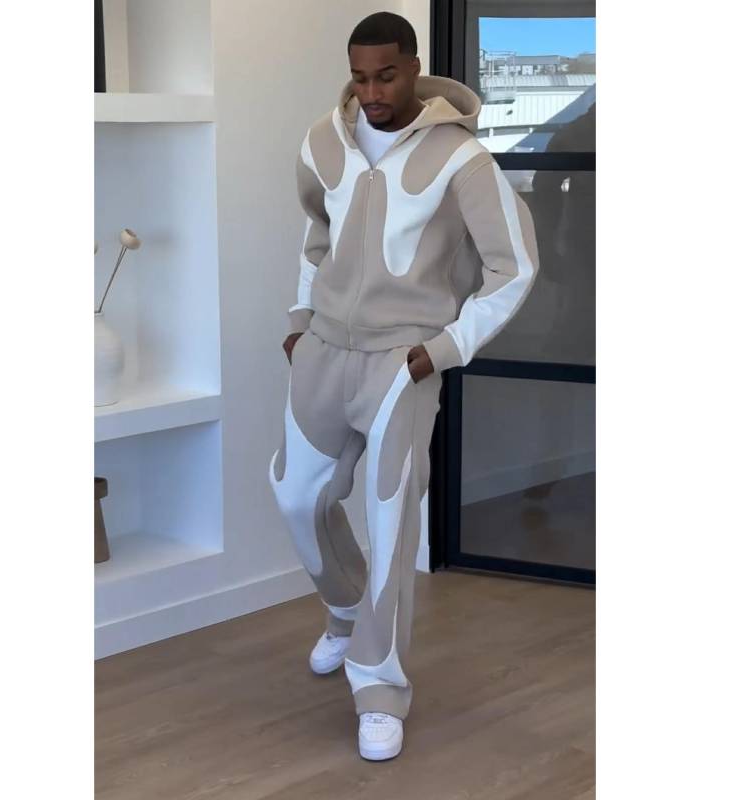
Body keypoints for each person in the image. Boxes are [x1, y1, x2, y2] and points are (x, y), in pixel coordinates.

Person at [268, 11, 539, 761]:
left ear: (413, 66)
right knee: (294, 494)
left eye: (385, 76)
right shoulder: (322, 141)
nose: (372, 92)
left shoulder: (462, 159)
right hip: (323, 351)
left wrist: (444, 348)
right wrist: (299, 321)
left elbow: (514, 265)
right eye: (359, 77)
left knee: (391, 525)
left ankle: (379, 689)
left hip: (401, 363)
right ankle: (345, 610)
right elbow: (316, 239)